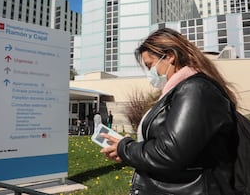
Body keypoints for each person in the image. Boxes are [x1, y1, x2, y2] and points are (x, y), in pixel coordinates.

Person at [100, 28, 240, 194]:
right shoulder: (180, 91)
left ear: (170, 56)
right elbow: (173, 144)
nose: (150, 73)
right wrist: (131, 150)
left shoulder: (195, 90)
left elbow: (169, 153)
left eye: (150, 65)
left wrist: (125, 148)